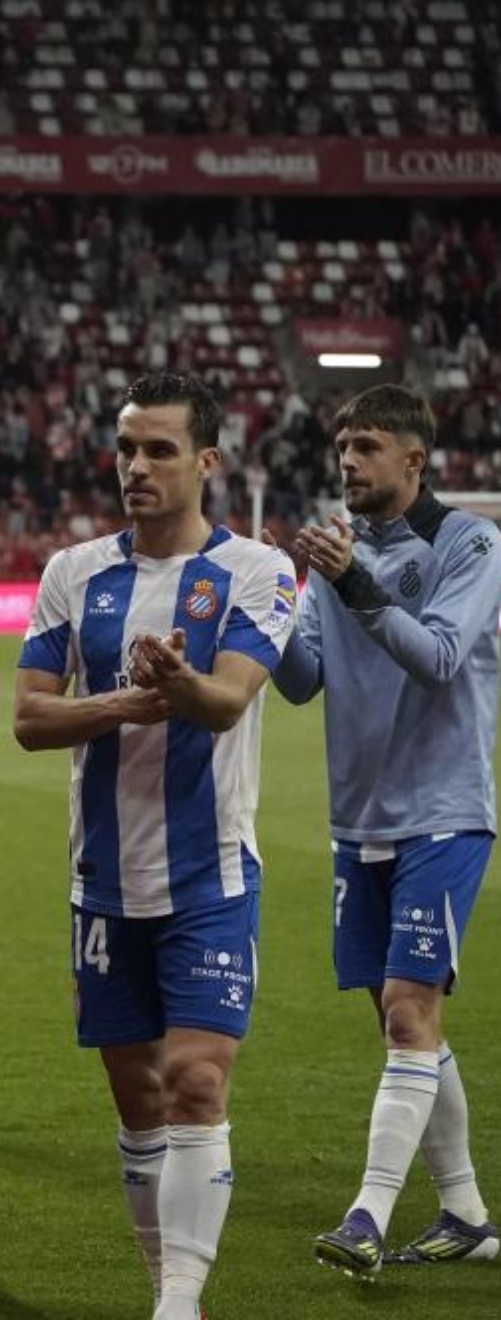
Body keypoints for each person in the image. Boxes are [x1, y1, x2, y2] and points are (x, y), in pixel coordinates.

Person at [14, 372, 295, 1320]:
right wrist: (126, 701)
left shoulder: (256, 570)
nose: (135, 465)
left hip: (210, 872)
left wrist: (179, 682)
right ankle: (166, 1279)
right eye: (127, 446)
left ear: (206, 461)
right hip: (103, 880)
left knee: (196, 1080)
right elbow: (28, 719)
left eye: (159, 448)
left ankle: (179, 1302)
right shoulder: (73, 572)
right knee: (137, 1098)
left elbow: (226, 703)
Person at [269, 385, 501, 1274]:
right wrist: (270, 600)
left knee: (410, 1014)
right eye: (342, 447)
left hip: (443, 811)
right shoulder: (342, 549)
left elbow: (440, 657)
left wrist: (347, 580)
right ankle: (469, 1213)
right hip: (356, 820)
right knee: (407, 1025)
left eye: (366, 446)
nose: (348, 462)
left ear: (415, 458)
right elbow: (301, 680)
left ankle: (365, 1217)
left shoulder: (469, 541)